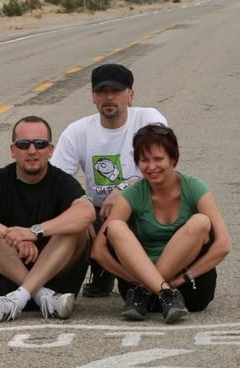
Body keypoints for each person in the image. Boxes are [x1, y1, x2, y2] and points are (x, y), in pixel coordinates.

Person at [0, 115, 96, 322]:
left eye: (40, 144)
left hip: (57, 282)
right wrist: (11, 235)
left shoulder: (62, 181)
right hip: (9, 285)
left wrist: (33, 231)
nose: (32, 151)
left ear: (50, 150)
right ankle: (39, 295)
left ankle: (19, 298)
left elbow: (87, 212)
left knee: (77, 226)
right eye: (24, 144)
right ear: (13, 150)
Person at [91, 123, 231, 324]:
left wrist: (177, 281)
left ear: (173, 158)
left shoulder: (194, 188)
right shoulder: (133, 193)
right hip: (138, 296)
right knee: (115, 227)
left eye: (158, 159)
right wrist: (134, 279)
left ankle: (157, 292)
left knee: (201, 221)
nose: (151, 166)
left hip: (185, 291)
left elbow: (223, 245)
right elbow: (98, 250)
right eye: (144, 160)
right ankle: (160, 292)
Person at [51, 63, 167, 297]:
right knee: (74, 216)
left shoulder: (149, 118)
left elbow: (161, 170)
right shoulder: (78, 131)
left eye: (117, 91)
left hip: (143, 205)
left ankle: (146, 272)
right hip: (98, 211)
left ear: (130, 95)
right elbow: (56, 180)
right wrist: (79, 208)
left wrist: (123, 188)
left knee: (129, 290)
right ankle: (100, 270)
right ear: (93, 97)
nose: (109, 97)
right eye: (102, 92)